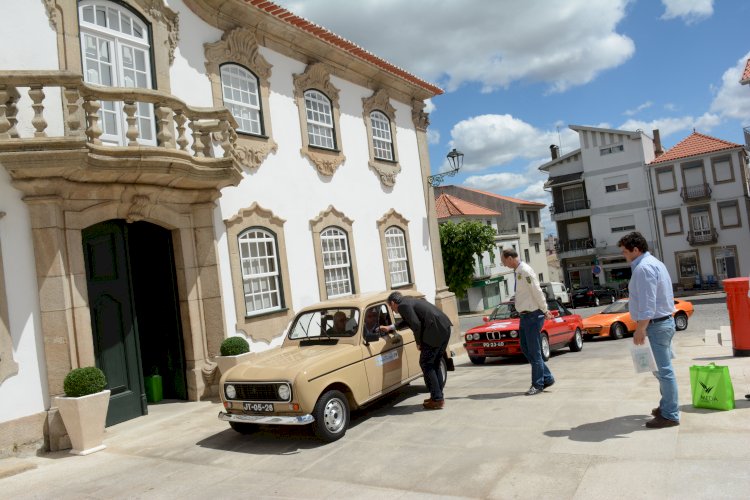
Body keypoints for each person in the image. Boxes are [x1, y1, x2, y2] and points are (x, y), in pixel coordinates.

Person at [618, 231, 679, 428]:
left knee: (664, 371)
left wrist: (640, 329)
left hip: (656, 325)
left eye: (625, 252)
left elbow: (648, 302)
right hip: (663, 323)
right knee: (660, 370)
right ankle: (666, 407)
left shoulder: (643, 268)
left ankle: (670, 414)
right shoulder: (655, 263)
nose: (624, 256)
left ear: (636, 249)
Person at [380, 291, 452, 409]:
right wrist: (390, 327)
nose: (392, 311)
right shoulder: (408, 300)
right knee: (434, 364)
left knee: (426, 364)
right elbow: (409, 321)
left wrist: (419, 342)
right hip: (444, 327)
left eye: (391, 307)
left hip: (434, 331)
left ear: (393, 303)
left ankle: (437, 399)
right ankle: (437, 396)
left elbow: (416, 325)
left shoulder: (403, 306)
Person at [500, 248, 554, 396]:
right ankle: (547, 377)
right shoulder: (518, 272)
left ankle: (537, 384)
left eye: (504, 261)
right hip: (524, 316)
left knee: (534, 352)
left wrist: (545, 310)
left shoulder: (525, 271)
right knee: (525, 348)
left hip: (533, 315)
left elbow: (537, 291)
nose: (504, 264)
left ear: (511, 258)